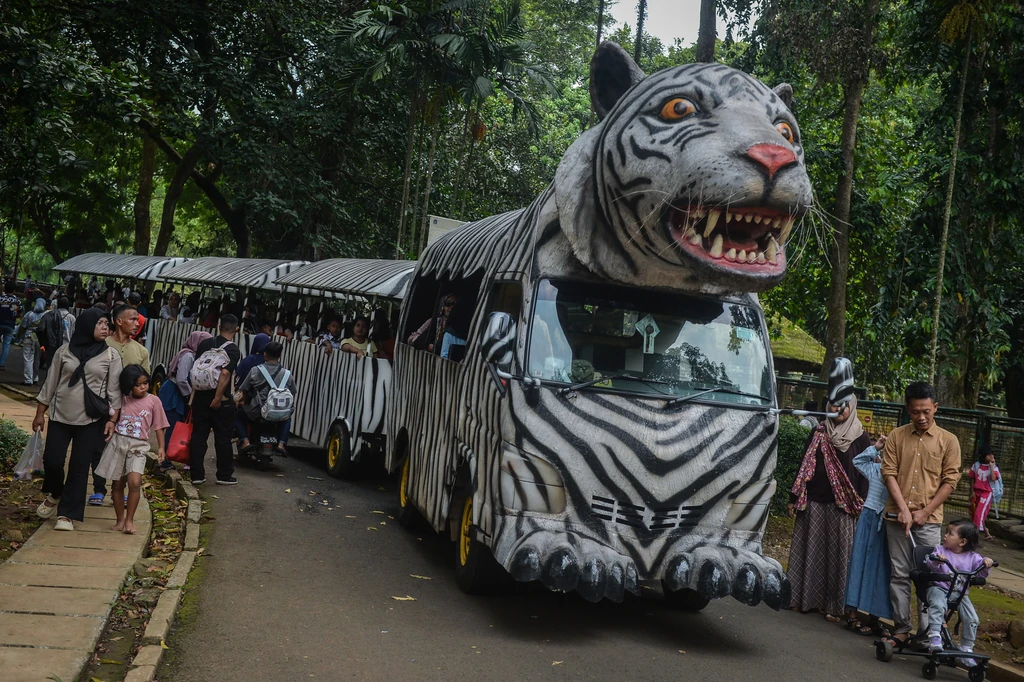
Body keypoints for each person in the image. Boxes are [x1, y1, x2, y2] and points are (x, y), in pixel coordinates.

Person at [786, 358, 870, 621]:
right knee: (810, 553)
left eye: (843, 404)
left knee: (839, 558)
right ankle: (803, 599)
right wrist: (793, 497)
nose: (838, 409)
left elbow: (865, 473)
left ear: (852, 405)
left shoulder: (860, 437)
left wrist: (862, 503)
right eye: (834, 403)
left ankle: (836, 607)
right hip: (813, 503)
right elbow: (804, 466)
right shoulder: (819, 432)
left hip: (843, 507)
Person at [881, 381, 962, 648]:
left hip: (929, 522)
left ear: (935, 408)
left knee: (929, 577)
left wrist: (925, 512)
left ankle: (928, 634)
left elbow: (950, 481)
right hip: (897, 519)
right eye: (916, 412)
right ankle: (902, 628)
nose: (922, 417)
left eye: (926, 411)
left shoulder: (949, 441)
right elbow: (888, 473)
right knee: (899, 574)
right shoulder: (896, 436)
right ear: (908, 409)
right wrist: (903, 510)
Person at [33, 308, 123, 531]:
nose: (105, 328)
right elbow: (50, 384)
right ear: (86, 326)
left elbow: (115, 393)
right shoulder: (64, 351)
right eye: (99, 323)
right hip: (59, 416)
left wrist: (112, 421)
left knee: (79, 467)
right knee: (52, 461)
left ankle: (67, 514)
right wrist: (39, 414)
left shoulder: (111, 356)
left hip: (91, 420)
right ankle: (56, 493)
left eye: (106, 323)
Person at [95, 364, 168, 534]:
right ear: (129, 385)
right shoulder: (122, 399)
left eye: (145, 383)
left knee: (135, 482)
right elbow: (113, 415)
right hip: (119, 444)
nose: (143, 387)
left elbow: (159, 426)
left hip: (138, 447)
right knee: (118, 484)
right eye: (138, 384)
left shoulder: (153, 401)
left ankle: (130, 520)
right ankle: (120, 519)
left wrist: (162, 448)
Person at [843, 434, 892, 636]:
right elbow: (857, 461)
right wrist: (877, 447)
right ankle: (852, 614)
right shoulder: (875, 469)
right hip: (868, 518)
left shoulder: (902, 475)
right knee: (859, 562)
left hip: (888, 522)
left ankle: (874, 618)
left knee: (882, 568)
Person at [922, 519, 992, 656]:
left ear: (962, 542)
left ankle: (966, 646)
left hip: (960, 593)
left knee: (972, 618)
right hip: (939, 588)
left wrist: (986, 562)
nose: (945, 535)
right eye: (946, 532)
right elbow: (930, 562)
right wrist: (936, 560)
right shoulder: (940, 550)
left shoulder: (973, 557)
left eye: (950, 533)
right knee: (937, 605)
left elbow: (982, 572)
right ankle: (935, 635)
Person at [189, 314, 242, 486]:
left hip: (200, 398)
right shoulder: (233, 350)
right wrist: (218, 398)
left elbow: (198, 367)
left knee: (198, 436)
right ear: (236, 329)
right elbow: (225, 374)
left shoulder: (205, 343)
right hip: (221, 401)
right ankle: (224, 475)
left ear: (218, 326)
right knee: (223, 438)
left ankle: (196, 475)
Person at [157, 330, 212, 470]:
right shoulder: (188, 356)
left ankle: (167, 459)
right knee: (172, 426)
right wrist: (190, 397)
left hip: (176, 392)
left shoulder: (191, 355)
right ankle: (164, 461)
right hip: (174, 393)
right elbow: (181, 379)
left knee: (174, 425)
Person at [238, 341, 295, 454]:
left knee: (237, 417)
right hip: (278, 411)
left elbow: (244, 389)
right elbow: (293, 392)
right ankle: (281, 444)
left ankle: (245, 442)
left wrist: (245, 403)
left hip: (257, 411)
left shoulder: (255, 370)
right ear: (280, 356)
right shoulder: (287, 374)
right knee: (287, 419)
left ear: (265, 355)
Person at [233, 333, 271, 451]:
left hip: (251, 402)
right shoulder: (274, 363)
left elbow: (238, 380)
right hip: (270, 404)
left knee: (236, 416)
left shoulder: (249, 360)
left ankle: (244, 440)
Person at [106, 305, 151, 373]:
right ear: (119, 321)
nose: (137, 324)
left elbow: (144, 380)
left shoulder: (142, 351)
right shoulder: (102, 345)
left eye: (137, 320)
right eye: (132, 319)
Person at [968, 444, 1000, 541]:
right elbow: (972, 478)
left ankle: (974, 536)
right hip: (976, 491)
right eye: (989, 455)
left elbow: (993, 478)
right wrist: (972, 491)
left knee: (979, 512)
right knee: (975, 513)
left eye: (992, 455)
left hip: (986, 493)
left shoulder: (994, 467)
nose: (992, 457)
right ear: (983, 456)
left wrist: (991, 466)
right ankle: (986, 533)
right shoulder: (976, 465)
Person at [38, 296, 76, 372]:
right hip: (66, 346)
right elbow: (74, 333)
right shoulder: (71, 318)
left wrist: (43, 343)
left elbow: (41, 329)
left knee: (50, 367)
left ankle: (49, 382)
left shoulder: (50, 315)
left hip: (52, 345)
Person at [16, 298, 47, 385]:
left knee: (28, 358)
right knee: (37, 359)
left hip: (29, 337)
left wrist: (18, 337)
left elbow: (22, 327)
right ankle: (35, 377)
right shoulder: (45, 315)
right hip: (40, 339)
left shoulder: (29, 314)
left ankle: (28, 380)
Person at [0, 281, 21, 371]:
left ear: (5, 289)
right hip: (10, 325)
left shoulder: (0, 299)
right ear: (14, 290)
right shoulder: (17, 301)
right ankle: (1, 364)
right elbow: (20, 314)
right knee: (6, 345)